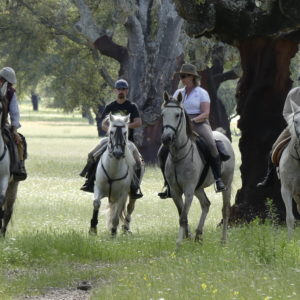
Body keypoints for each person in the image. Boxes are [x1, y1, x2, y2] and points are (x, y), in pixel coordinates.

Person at [158, 63, 226, 198]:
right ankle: (168, 185)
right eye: (181, 76)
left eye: (184, 76)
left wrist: (193, 121)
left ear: (192, 77)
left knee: (211, 144)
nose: (182, 78)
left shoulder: (202, 93)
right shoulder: (178, 93)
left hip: (199, 122)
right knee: (162, 151)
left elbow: (206, 113)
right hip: (181, 124)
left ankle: (218, 179)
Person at [80, 79, 144, 199]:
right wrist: (111, 129)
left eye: (123, 89)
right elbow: (103, 123)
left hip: (127, 141)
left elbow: (138, 122)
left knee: (138, 162)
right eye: (119, 89)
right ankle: (89, 182)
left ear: (127, 91)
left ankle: (135, 187)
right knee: (92, 154)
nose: (121, 91)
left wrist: (124, 127)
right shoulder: (110, 106)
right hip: (110, 140)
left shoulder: (132, 106)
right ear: (115, 91)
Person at [257, 86, 300, 187]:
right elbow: (286, 112)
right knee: (275, 147)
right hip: (294, 127)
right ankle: (269, 177)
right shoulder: (293, 93)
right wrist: (292, 124)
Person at [0, 67, 27, 181]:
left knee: (19, 141)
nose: (10, 85)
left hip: (3, 123)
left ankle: (19, 167)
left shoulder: (10, 93)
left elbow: (14, 112)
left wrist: (14, 128)